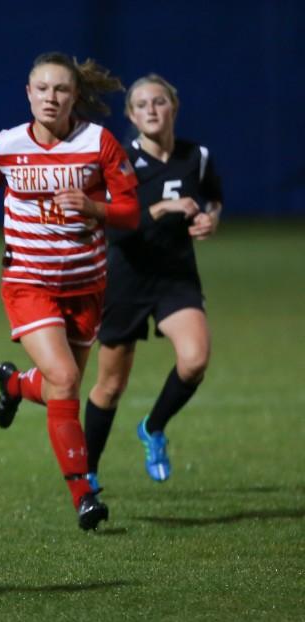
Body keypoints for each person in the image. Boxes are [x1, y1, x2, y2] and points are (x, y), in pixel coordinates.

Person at [0, 52, 140, 531]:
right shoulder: (8, 143)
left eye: (61, 89)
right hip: (28, 280)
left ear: (75, 95)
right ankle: (84, 495)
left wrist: (94, 207)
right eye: (41, 88)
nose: (50, 97)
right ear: (28, 93)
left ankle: (15, 384)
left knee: (63, 385)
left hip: (86, 284)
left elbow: (130, 210)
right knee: (64, 379)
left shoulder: (97, 143)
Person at [84, 74, 223, 485]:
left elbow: (213, 196)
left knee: (195, 359)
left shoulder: (196, 156)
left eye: (159, 102)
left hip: (174, 276)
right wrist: (162, 210)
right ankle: (87, 475)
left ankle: (153, 427)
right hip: (125, 277)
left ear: (173, 108)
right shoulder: (119, 162)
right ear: (131, 114)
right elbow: (112, 228)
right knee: (110, 386)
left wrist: (210, 219)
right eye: (141, 104)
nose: (151, 110)